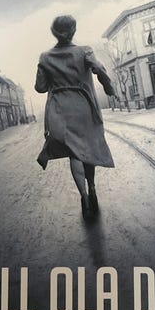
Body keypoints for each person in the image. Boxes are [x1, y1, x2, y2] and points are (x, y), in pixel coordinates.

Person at [35, 15, 116, 220]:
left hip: (60, 110)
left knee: (74, 153)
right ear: (74, 31)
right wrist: (108, 87)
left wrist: (49, 73)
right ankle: (92, 187)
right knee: (86, 148)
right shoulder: (84, 51)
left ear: (54, 33)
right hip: (84, 107)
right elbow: (99, 69)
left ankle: (83, 197)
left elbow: (40, 87)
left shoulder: (45, 57)